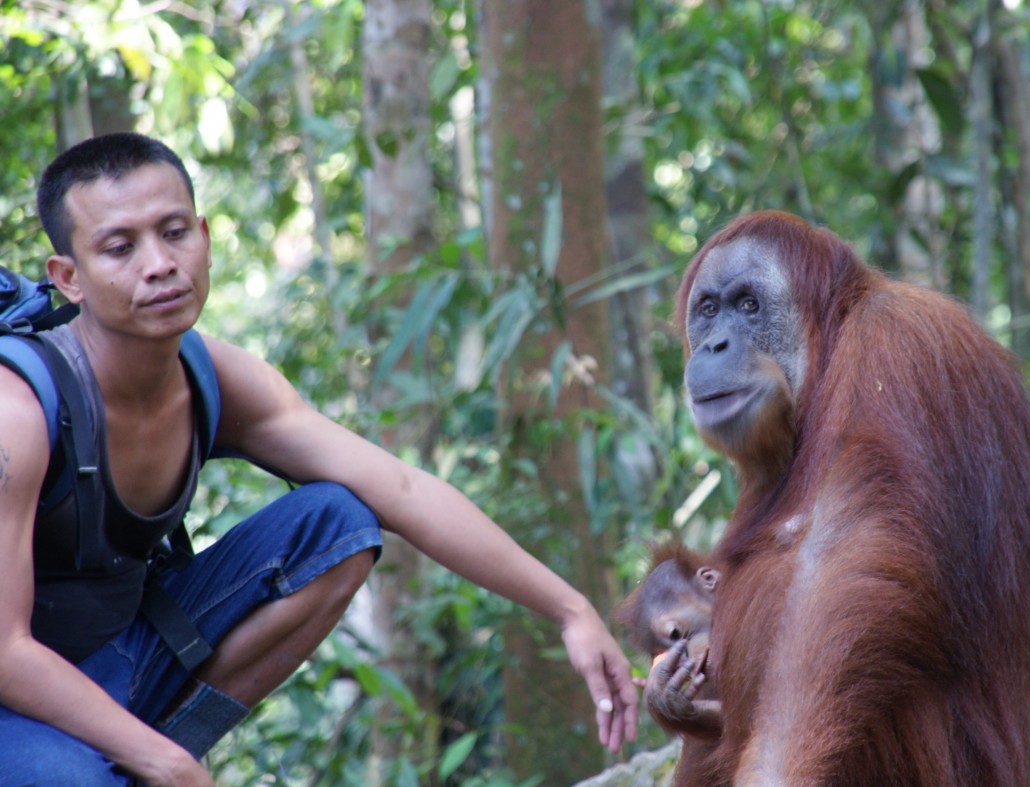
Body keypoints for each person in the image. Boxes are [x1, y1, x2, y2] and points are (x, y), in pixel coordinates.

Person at [0, 132, 638, 786]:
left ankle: (151, 747)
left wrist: (570, 609)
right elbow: (6, 650)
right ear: (68, 277)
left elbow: (403, 491)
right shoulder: (18, 408)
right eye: (120, 247)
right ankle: (135, 760)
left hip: (131, 654)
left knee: (338, 521)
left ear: (206, 238)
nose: (159, 264)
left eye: (175, 233)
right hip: (16, 696)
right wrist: (166, 764)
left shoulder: (215, 378)